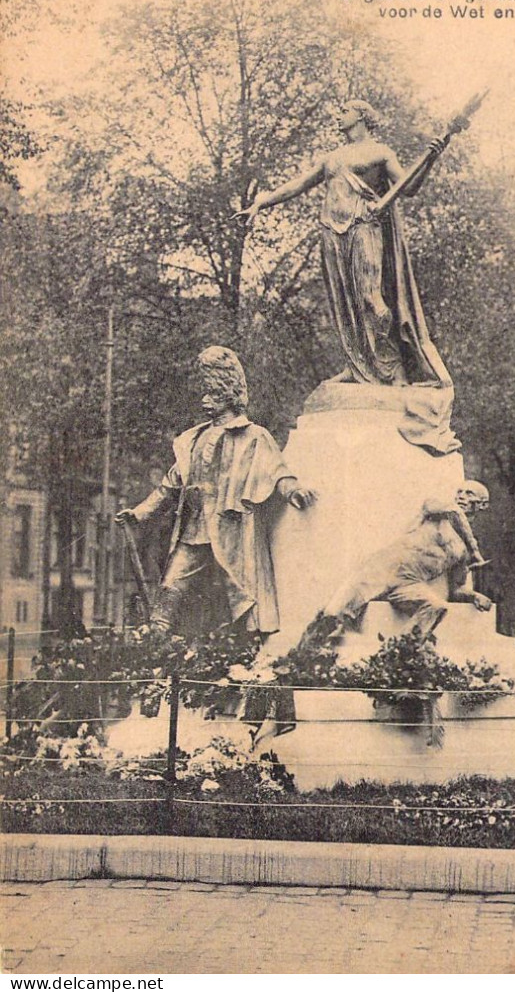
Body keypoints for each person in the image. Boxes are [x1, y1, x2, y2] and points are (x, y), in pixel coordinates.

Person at [237, 100, 458, 453]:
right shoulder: (332, 158)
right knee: (345, 305)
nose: (338, 115)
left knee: (372, 299)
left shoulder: (380, 152)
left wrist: (430, 159)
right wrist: (262, 203)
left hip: (363, 226)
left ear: (362, 117)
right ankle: (357, 366)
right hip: (331, 231)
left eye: (345, 111)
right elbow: (297, 184)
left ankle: (393, 368)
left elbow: (409, 189)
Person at [115, 346, 316, 638]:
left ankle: (244, 648)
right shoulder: (194, 439)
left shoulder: (253, 436)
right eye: (205, 392)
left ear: (230, 395)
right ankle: (155, 640)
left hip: (231, 529)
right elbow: (170, 484)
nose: (205, 401)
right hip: (195, 527)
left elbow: (275, 469)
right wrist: (139, 513)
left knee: (237, 592)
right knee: (172, 583)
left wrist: (292, 489)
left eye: (214, 394)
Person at [303, 480, 493, 648]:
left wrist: (475, 596)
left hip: (410, 582)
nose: (461, 496)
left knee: (436, 607)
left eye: (469, 493)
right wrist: (473, 545)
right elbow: (437, 507)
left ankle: (397, 655)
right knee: (334, 615)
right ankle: (302, 658)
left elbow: (455, 589)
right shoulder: (439, 511)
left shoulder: (464, 551)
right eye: (459, 491)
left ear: (482, 504)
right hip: (384, 568)